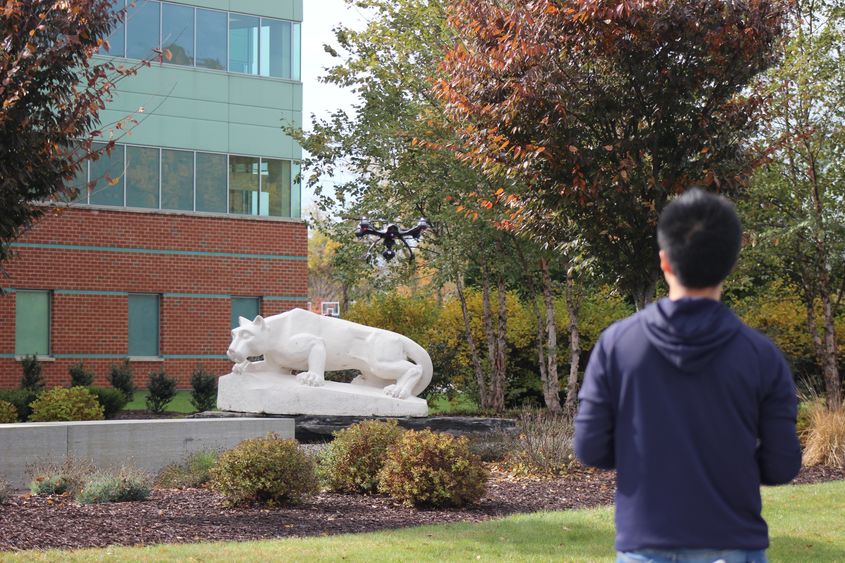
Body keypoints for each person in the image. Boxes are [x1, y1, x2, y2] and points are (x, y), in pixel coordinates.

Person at [573, 188, 802, 563]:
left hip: (645, 540)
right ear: (731, 261)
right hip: (733, 541)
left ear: (665, 261)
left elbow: (590, 447)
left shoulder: (617, 344)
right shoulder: (761, 355)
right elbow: (781, 465)